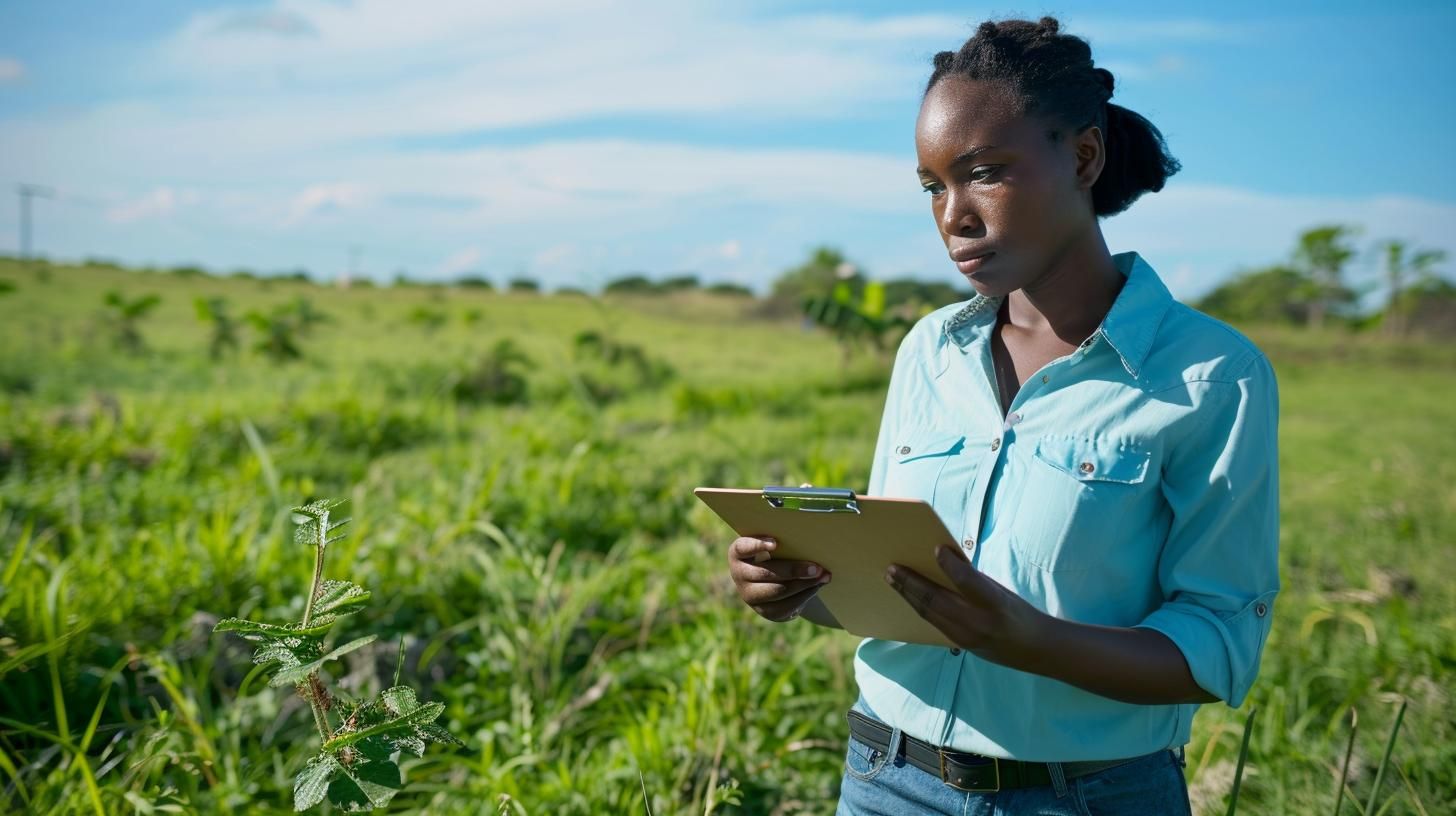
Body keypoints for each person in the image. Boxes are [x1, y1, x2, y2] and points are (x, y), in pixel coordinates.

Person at [726, 16, 1279, 815]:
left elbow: (1220, 646)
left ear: (1083, 157)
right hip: (885, 779)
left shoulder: (1210, 375)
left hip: (1086, 796)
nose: (952, 214)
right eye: (931, 186)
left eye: (983, 172)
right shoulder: (929, 351)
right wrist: (798, 584)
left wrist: (1034, 642)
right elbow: (902, 582)